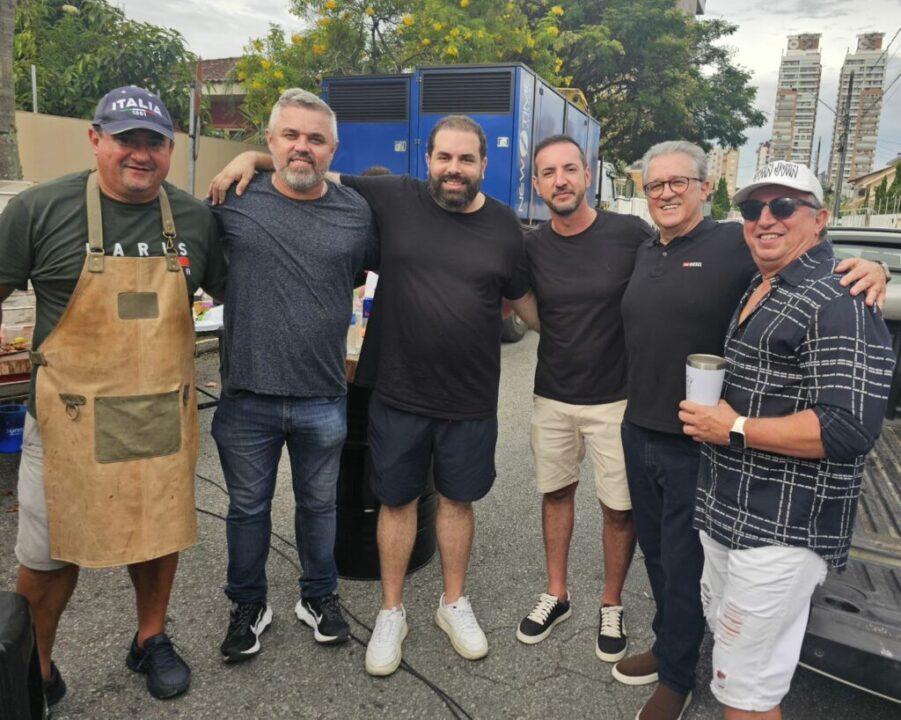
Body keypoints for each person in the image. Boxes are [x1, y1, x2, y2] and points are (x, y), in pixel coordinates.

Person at [209, 114, 538, 677]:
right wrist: (253, 160)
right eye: (444, 158)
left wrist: (578, 345)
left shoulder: (506, 227)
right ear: (427, 160)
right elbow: (311, 169)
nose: (454, 170)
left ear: (484, 165)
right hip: (398, 390)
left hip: (471, 397)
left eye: (466, 160)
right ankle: (392, 611)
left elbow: (526, 305)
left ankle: (452, 603)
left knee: (458, 503)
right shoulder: (393, 197)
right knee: (397, 501)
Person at [616, 142, 888, 720]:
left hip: (740, 478)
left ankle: (678, 675)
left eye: (784, 207)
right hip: (665, 445)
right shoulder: (658, 252)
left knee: (701, 593)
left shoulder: (767, 263)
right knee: (665, 560)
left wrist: (874, 268)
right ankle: (674, 651)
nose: (766, 219)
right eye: (755, 209)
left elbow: (846, 425)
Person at [0, 86, 228, 704]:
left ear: (170, 148)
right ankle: (36, 668)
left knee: (157, 536)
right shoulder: (39, 211)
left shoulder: (196, 220)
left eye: (154, 142)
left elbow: (240, 294)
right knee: (48, 555)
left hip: (159, 413)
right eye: (126, 139)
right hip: (66, 419)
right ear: (96, 138)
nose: (140, 154)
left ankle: (149, 638)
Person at [210, 89, 377, 662]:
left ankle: (318, 596)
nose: (301, 147)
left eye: (315, 138)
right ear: (270, 142)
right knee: (247, 509)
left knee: (319, 506)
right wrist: (247, 163)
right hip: (246, 396)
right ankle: (249, 605)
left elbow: (359, 278)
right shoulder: (234, 198)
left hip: (322, 395)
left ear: (333, 149)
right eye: (290, 136)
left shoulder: (356, 212)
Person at [514, 135, 652, 666]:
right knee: (556, 495)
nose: (560, 181)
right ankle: (558, 593)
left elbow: (684, 256)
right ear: (537, 184)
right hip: (552, 396)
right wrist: (553, 333)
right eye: (548, 173)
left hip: (616, 400)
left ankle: (611, 602)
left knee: (619, 509)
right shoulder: (531, 246)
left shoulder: (629, 234)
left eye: (569, 169)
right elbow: (519, 298)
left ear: (588, 174)